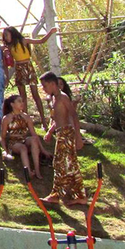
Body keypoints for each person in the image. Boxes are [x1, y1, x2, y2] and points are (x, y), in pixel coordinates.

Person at [40, 71, 89, 206]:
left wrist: (78, 137)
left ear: (52, 84)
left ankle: (56, 194)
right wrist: (50, 132)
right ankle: (80, 195)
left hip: (67, 133)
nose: (44, 89)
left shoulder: (63, 97)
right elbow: (57, 118)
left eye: (45, 86)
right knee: (70, 164)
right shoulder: (54, 98)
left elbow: (73, 115)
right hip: (60, 133)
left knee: (60, 163)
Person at [2, 25, 58, 128]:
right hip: (19, 69)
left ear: (12, 33)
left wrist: (50, 32)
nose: (5, 37)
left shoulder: (23, 41)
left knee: (35, 95)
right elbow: (7, 63)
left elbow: (41, 41)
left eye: (6, 35)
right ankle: (26, 123)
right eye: (4, 36)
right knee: (22, 98)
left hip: (28, 67)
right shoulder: (8, 47)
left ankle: (44, 121)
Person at [0, 94, 48, 178]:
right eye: (19, 101)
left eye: (22, 101)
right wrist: (5, 151)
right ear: (12, 104)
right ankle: (28, 172)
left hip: (24, 140)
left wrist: (43, 149)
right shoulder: (7, 118)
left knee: (33, 139)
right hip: (14, 143)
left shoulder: (26, 116)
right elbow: (2, 137)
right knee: (23, 148)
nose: (22, 103)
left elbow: (34, 134)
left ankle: (37, 170)